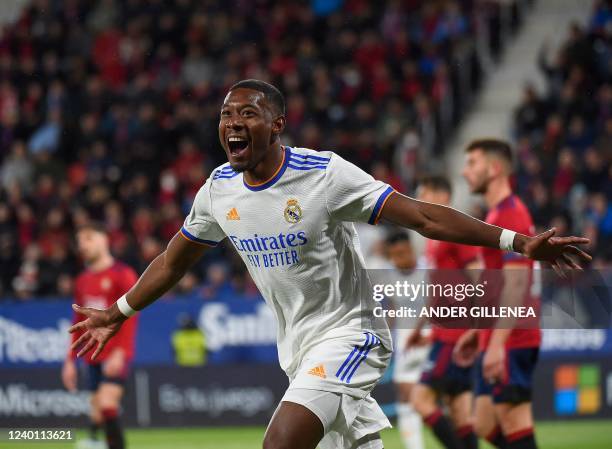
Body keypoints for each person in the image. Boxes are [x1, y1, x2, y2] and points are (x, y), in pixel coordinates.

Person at [69, 80, 590, 449]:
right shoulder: (217, 190)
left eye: (246, 113)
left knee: (280, 442)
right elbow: (172, 260)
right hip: (296, 347)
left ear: (276, 126)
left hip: (352, 333)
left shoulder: (324, 175)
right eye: (226, 115)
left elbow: (423, 217)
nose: (232, 123)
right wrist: (119, 311)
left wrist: (519, 244)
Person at [455, 139, 550, 449]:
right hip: (494, 333)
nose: (464, 171)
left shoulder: (511, 215)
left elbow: (516, 285)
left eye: (472, 163)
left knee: (513, 420)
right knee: (483, 423)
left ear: (494, 169)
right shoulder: (496, 215)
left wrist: (497, 344)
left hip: (511, 337)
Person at [408, 175, 480, 449]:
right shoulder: (433, 235)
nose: (418, 200)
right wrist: (420, 328)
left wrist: (475, 328)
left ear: (441, 195)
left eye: (423, 193)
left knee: (420, 399)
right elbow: (438, 291)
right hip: (445, 334)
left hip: (455, 336)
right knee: (460, 411)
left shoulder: (455, 228)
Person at [62, 222, 138, 449]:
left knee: (106, 403)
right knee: (97, 411)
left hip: (114, 353)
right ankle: (96, 441)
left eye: (88, 238)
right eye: (79, 241)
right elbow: (78, 323)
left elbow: (131, 317)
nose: (82, 245)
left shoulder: (122, 275)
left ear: (104, 240)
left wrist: (121, 352)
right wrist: (69, 360)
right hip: (91, 355)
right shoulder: (82, 280)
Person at [385, 231, 429, 449]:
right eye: (393, 255)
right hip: (405, 342)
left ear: (411, 250)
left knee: (441, 396)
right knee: (405, 394)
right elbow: (394, 308)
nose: (398, 259)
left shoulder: (429, 269)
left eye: (402, 253)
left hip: (429, 338)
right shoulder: (390, 274)